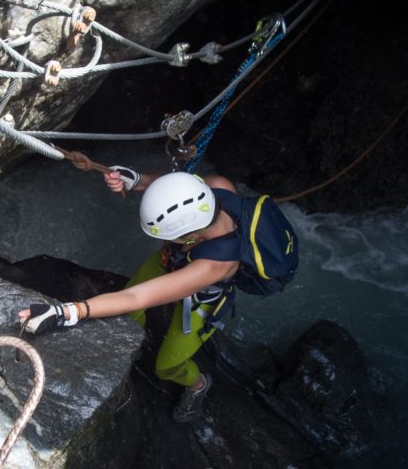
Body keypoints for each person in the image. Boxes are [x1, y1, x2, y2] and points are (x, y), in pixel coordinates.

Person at [18, 167, 243, 423]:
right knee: (128, 312)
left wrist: (65, 312)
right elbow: (174, 187)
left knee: (167, 367)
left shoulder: (216, 264)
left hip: (202, 297)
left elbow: (138, 297)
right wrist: (138, 181)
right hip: (176, 258)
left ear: (190, 236)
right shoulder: (217, 187)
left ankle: (198, 385)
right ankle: (132, 339)